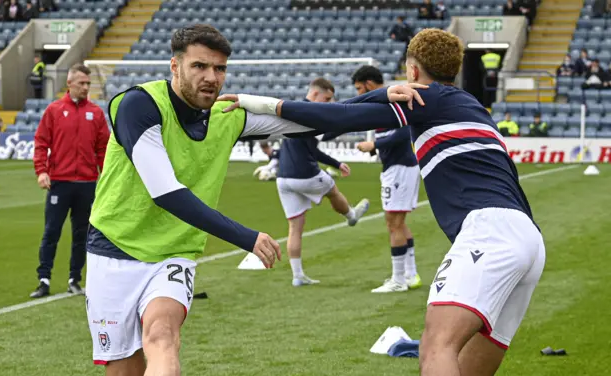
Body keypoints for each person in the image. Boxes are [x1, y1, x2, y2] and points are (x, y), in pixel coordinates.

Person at [221, 28, 546, 376]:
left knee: (436, 347)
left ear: (414, 70)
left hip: (489, 232)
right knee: (470, 363)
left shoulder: (424, 97)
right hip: (529, 239)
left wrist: (259, 103)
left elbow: (335, 119)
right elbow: (344, 113)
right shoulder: (470, 105)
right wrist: (380, 94)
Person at [83, 24, 339, 375]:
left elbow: (326, 117)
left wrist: (392, 103)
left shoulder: (227, 116)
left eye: (219, 69)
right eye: (199, 66)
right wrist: (247, 238)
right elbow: (167, 194)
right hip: (113, 249)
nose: (211, 77)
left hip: (173, 253)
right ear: (175, 66)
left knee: (162, 336)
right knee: (123, 368)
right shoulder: (138, 105)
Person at [275, 77, 370, 286]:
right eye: (326, 99)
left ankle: (297, 276)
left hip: (283, 177)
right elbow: (313, 150)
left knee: (295, 227)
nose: (327, 104)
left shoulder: (292, 109)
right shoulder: (310, 113)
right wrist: (337, 163)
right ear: (316, 93)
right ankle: (351, 215)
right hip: (305, 174)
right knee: (333, 191)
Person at [30, 63, 110, 299]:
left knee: (82, 234)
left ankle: (75, 279)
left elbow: (103, 149)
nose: (86, 87)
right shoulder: (54, 111)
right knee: (51, 232)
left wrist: (105, 175)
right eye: (82, 83)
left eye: (88, 83)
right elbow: (41, 142)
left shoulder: (95, 113)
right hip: (60, 183)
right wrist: (42, 171)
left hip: (87, 183)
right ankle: (43, 280)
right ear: (70, 83)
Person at [350, 65, 422, 293]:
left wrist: (374, 144)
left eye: (360, 89)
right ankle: (410, 275)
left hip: (400, 169)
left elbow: (403, 132)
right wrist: (376, 149)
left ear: (369, 84)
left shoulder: (394, 99)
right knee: (398, 222)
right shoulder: (383, 102)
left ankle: (398, 280)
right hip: (399, 167)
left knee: (394, 223)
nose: (360, 94)